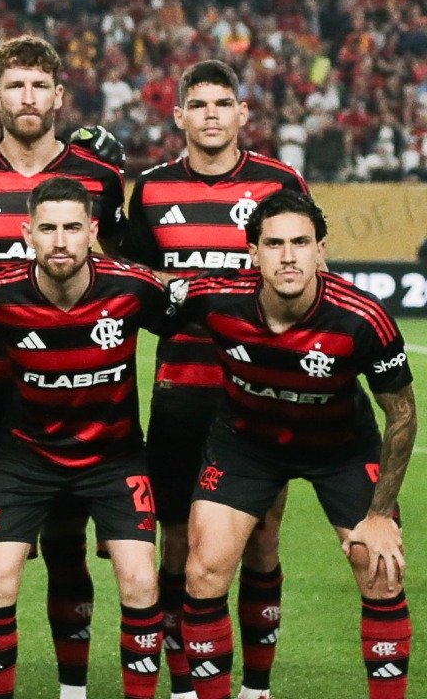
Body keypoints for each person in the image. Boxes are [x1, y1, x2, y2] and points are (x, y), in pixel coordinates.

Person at [0, 33, 128, 698]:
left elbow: (124, 268)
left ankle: (72, 689)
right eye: (15, 85)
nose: (28, 97)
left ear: (59, 96)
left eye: (40, 85)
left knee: (67, 543)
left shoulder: (97, 178)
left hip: (75, 392)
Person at [175, 191, 415, 699]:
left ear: (320, 250)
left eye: (301, 243)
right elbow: (141, 298)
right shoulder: (213, 298)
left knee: (380, 569)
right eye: (274, 244)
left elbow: (402, 413)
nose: (288, 256)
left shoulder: (361, 317)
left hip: (341, 448)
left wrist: (379, 514)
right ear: (253, 253)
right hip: (245, 444)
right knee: (204, 571)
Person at [121, 60, 308, 699]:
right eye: (198, 105)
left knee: (262, 539)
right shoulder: (150, 190)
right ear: (179, 116)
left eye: (222, 104)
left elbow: (304, 277)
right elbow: (136, 288)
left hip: (260, 392)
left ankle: (255, 688)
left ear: (242, 113)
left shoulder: (280, 183)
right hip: (181, 390)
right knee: (176, 543)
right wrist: (178, 291)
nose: (210, 115)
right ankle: (183, 686)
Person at [0, 177, 168, 699]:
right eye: (48, 229)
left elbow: (196, 324)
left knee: (141, 580)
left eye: (72, 228)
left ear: (92, 232)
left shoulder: (134, 289)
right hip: (25, 458)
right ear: (27, 233)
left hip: (115, 457)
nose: (60, 241)